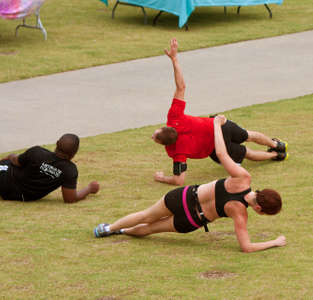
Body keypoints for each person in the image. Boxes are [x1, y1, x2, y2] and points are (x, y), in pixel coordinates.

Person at [94, 115, 286, 253]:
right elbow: (246, 247)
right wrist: (274, 242)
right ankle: (122, 231)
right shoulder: (240, 213)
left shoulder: (243, 178)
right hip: (191, 220)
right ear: (259, 209)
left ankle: (108, 229)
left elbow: (221, 153)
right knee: (151, 229)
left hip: (182, 197)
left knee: (146, 215)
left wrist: (217, 126)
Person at [152, 38, 288, 186]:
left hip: (217, 146)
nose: (152, 136)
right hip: (220, 124)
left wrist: (161, 178)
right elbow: (181, 87)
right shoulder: (174, 117)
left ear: (163, 144)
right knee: (249, 135)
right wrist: (174, 59)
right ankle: (277, 145)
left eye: (155, 136)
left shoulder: (176, 151)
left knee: (247, 153)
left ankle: (276, 155)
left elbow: (179, 180)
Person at [0, 133, 100, 203]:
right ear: (75, 152)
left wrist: (11, 156)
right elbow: (70, 199)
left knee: (8, 162)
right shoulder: (70, 170)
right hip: (21, 196)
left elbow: (16, 162)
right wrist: (89, 189)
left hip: (5, 179)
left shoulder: (37, 152)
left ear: (57, 143)